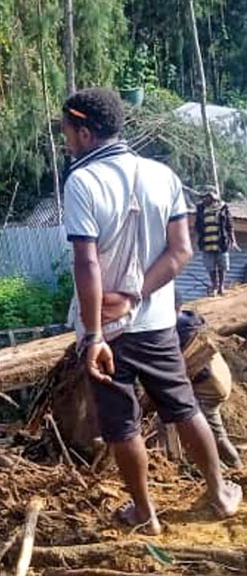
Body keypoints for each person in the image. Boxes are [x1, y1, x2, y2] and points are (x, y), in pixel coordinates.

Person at [62, 87, 240, 535]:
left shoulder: (82, 183)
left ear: (84, 132)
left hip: (108, 331)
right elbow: (181, 250)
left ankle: (145, 512)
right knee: (183, 407)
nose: (66, 140)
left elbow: (86, 261)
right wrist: (137, 293)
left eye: (66, 131)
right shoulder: (163, 175)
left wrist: (96, 334)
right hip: (158, 322)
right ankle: (219, 493)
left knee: (122, 425)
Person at [175, 294, 242, 469]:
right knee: (214, 429)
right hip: (219, 377)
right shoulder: (190, 320)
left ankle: (230, 468)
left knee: (209, 432)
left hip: (210, 385)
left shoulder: (177, 329)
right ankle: (229, 466)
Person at [195, 185, 238, 296]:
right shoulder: (200, 209)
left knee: (222, 266)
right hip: (206, 243)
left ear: (212, 197)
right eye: (203, 197)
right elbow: (197, 226)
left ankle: (221, 287)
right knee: (210, 267)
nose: (204, 199)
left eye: (206, 197)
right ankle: (214, 286)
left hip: (220, 242)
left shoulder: (223, 208)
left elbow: (229, 224)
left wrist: (232, 240)